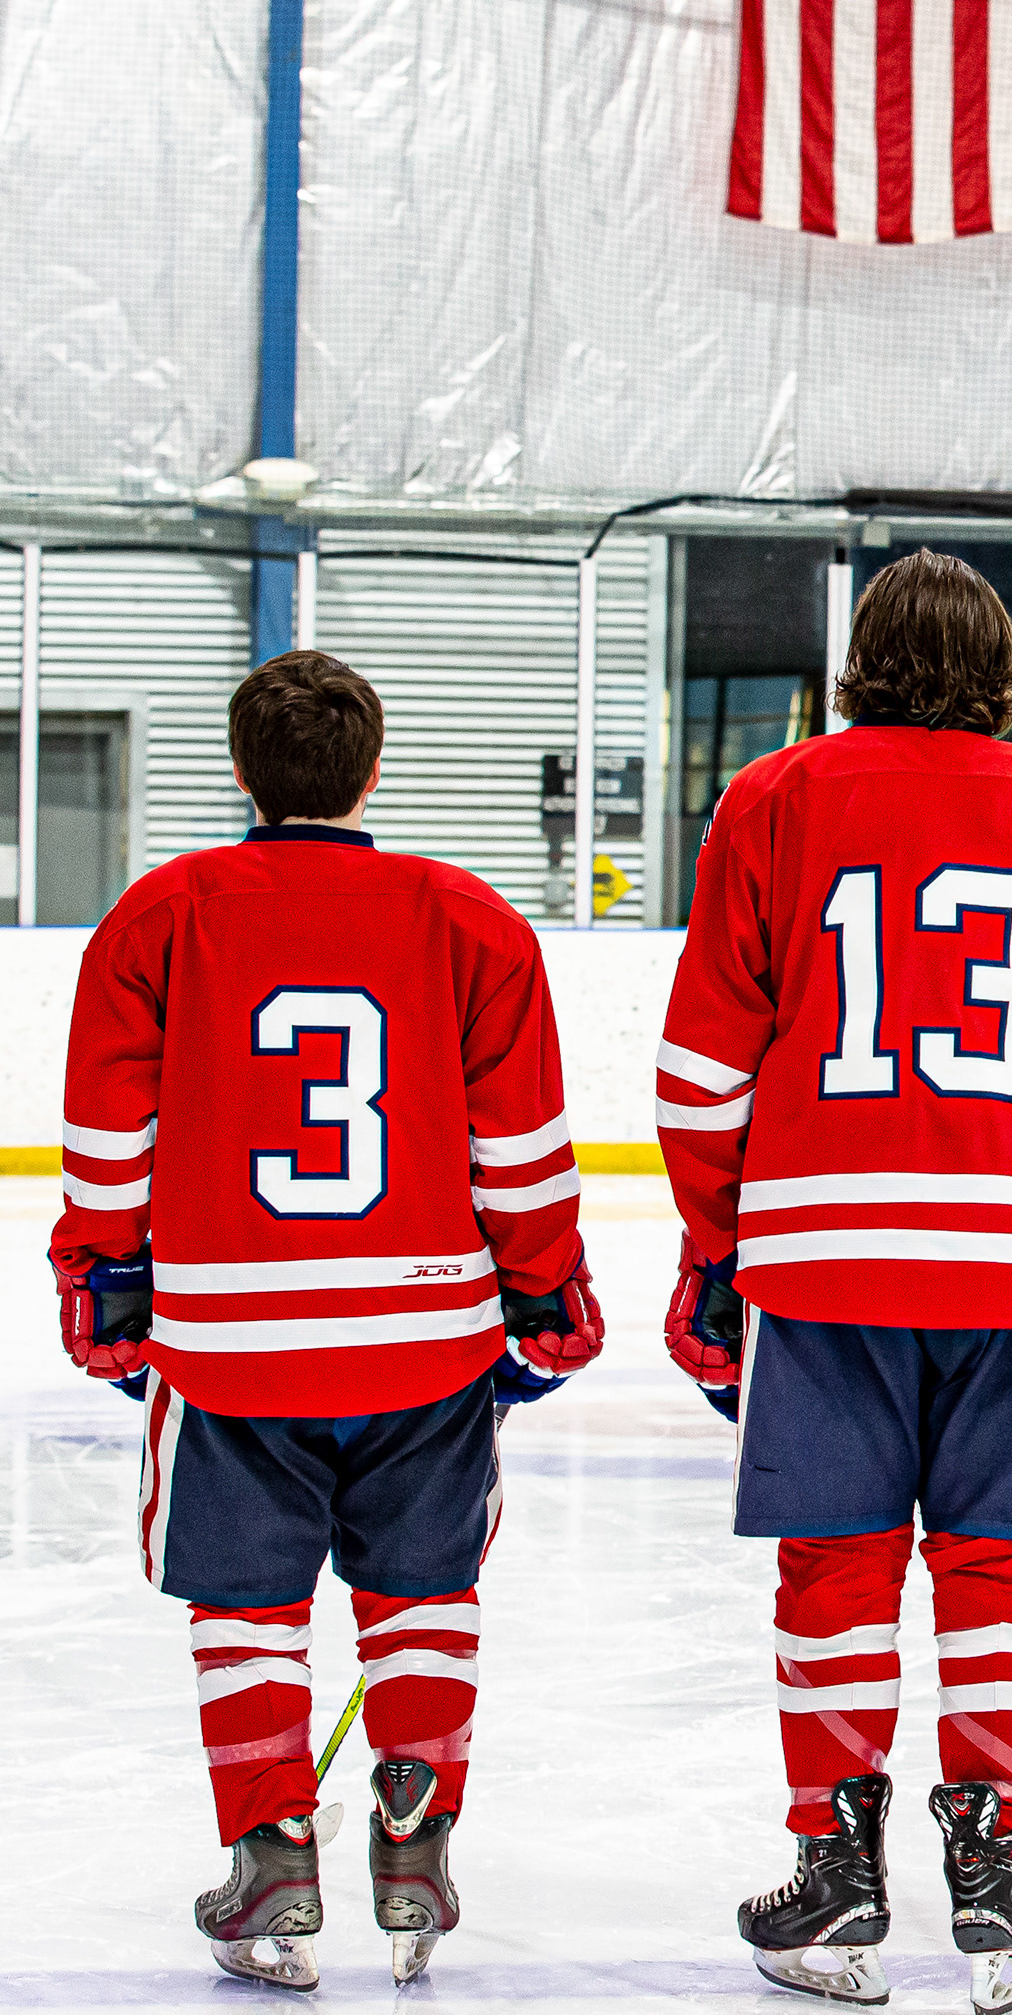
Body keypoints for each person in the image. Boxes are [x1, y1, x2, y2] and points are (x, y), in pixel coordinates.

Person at [654, 550, 1012, 2013]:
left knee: (833, 1561)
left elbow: (702, 1072)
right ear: (1002, 675)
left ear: (858, 665)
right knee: (1000, 1565)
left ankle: (835, 1870)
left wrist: (719, 1245)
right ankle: (996, 1870)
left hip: (823, 1250)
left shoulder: (772, 800)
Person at [48, 650, 601, 1993]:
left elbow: (108, 1145)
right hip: (426, 1338)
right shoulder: (469, 919)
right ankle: (417, 1846)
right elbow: (522, 1151)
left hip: (229, 1344)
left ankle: (271, 1858)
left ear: (242, 770)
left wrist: (107, 1280)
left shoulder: (158, 916)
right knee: (425, 1591)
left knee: (246, 1607)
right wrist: (543, 1291)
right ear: (373, 770)